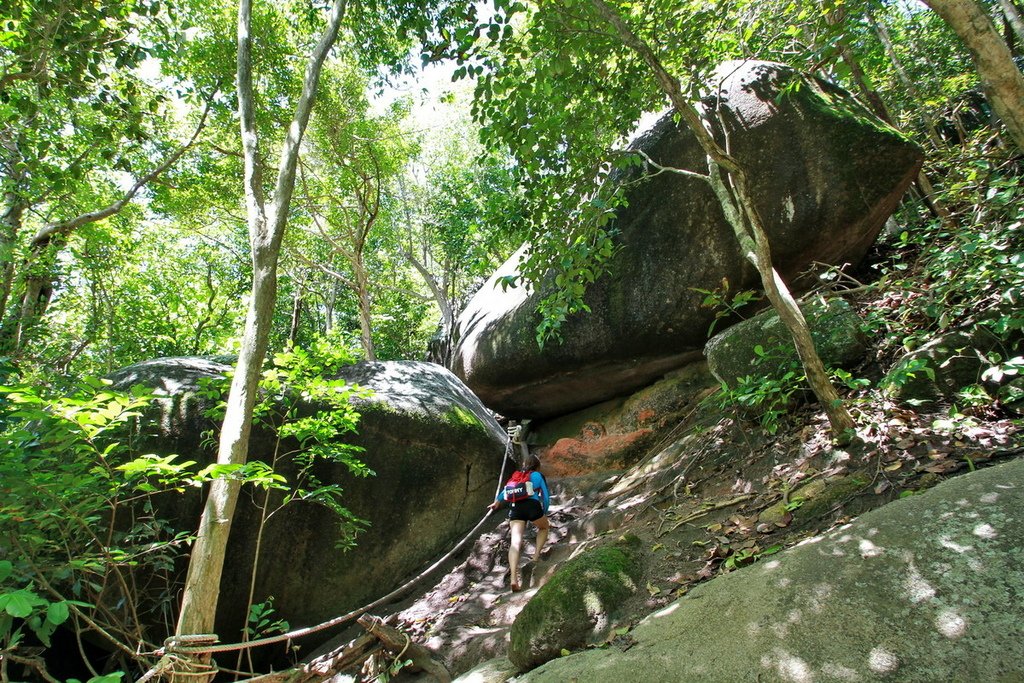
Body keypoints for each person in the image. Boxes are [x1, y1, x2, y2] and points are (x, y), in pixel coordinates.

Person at [488, 453, 550, 591]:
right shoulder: (537, 476)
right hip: (532, 506)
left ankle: (514, 579)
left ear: (524, 464)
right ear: (537, 466)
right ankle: (535, 556)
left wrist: (497, 503)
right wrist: (544, 511)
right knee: (544, 528)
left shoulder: (516, 476)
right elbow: (545, 496)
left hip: (516, 508)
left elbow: (505, 491)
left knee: (515, 542)